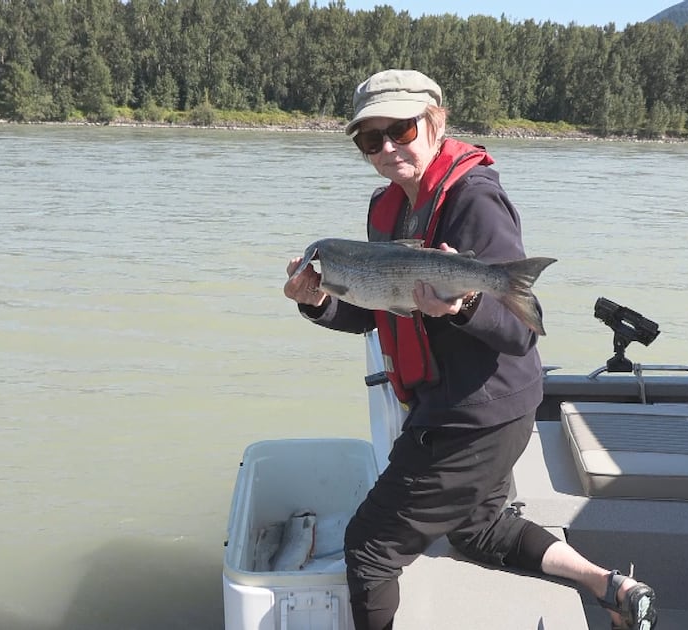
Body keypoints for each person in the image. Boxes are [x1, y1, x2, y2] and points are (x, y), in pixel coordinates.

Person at [282, 68, 658, 630]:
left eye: (401, 130)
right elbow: (376, 311)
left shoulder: (475, 200)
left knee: (367, 548)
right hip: (463, 401)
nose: (386, 147)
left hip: (476, 413)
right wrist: (315, 302)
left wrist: (461, 306)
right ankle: (613, 587)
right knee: (478, 530)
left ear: (435, 123)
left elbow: (521, 334)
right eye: (369, 138)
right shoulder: (388, 206)